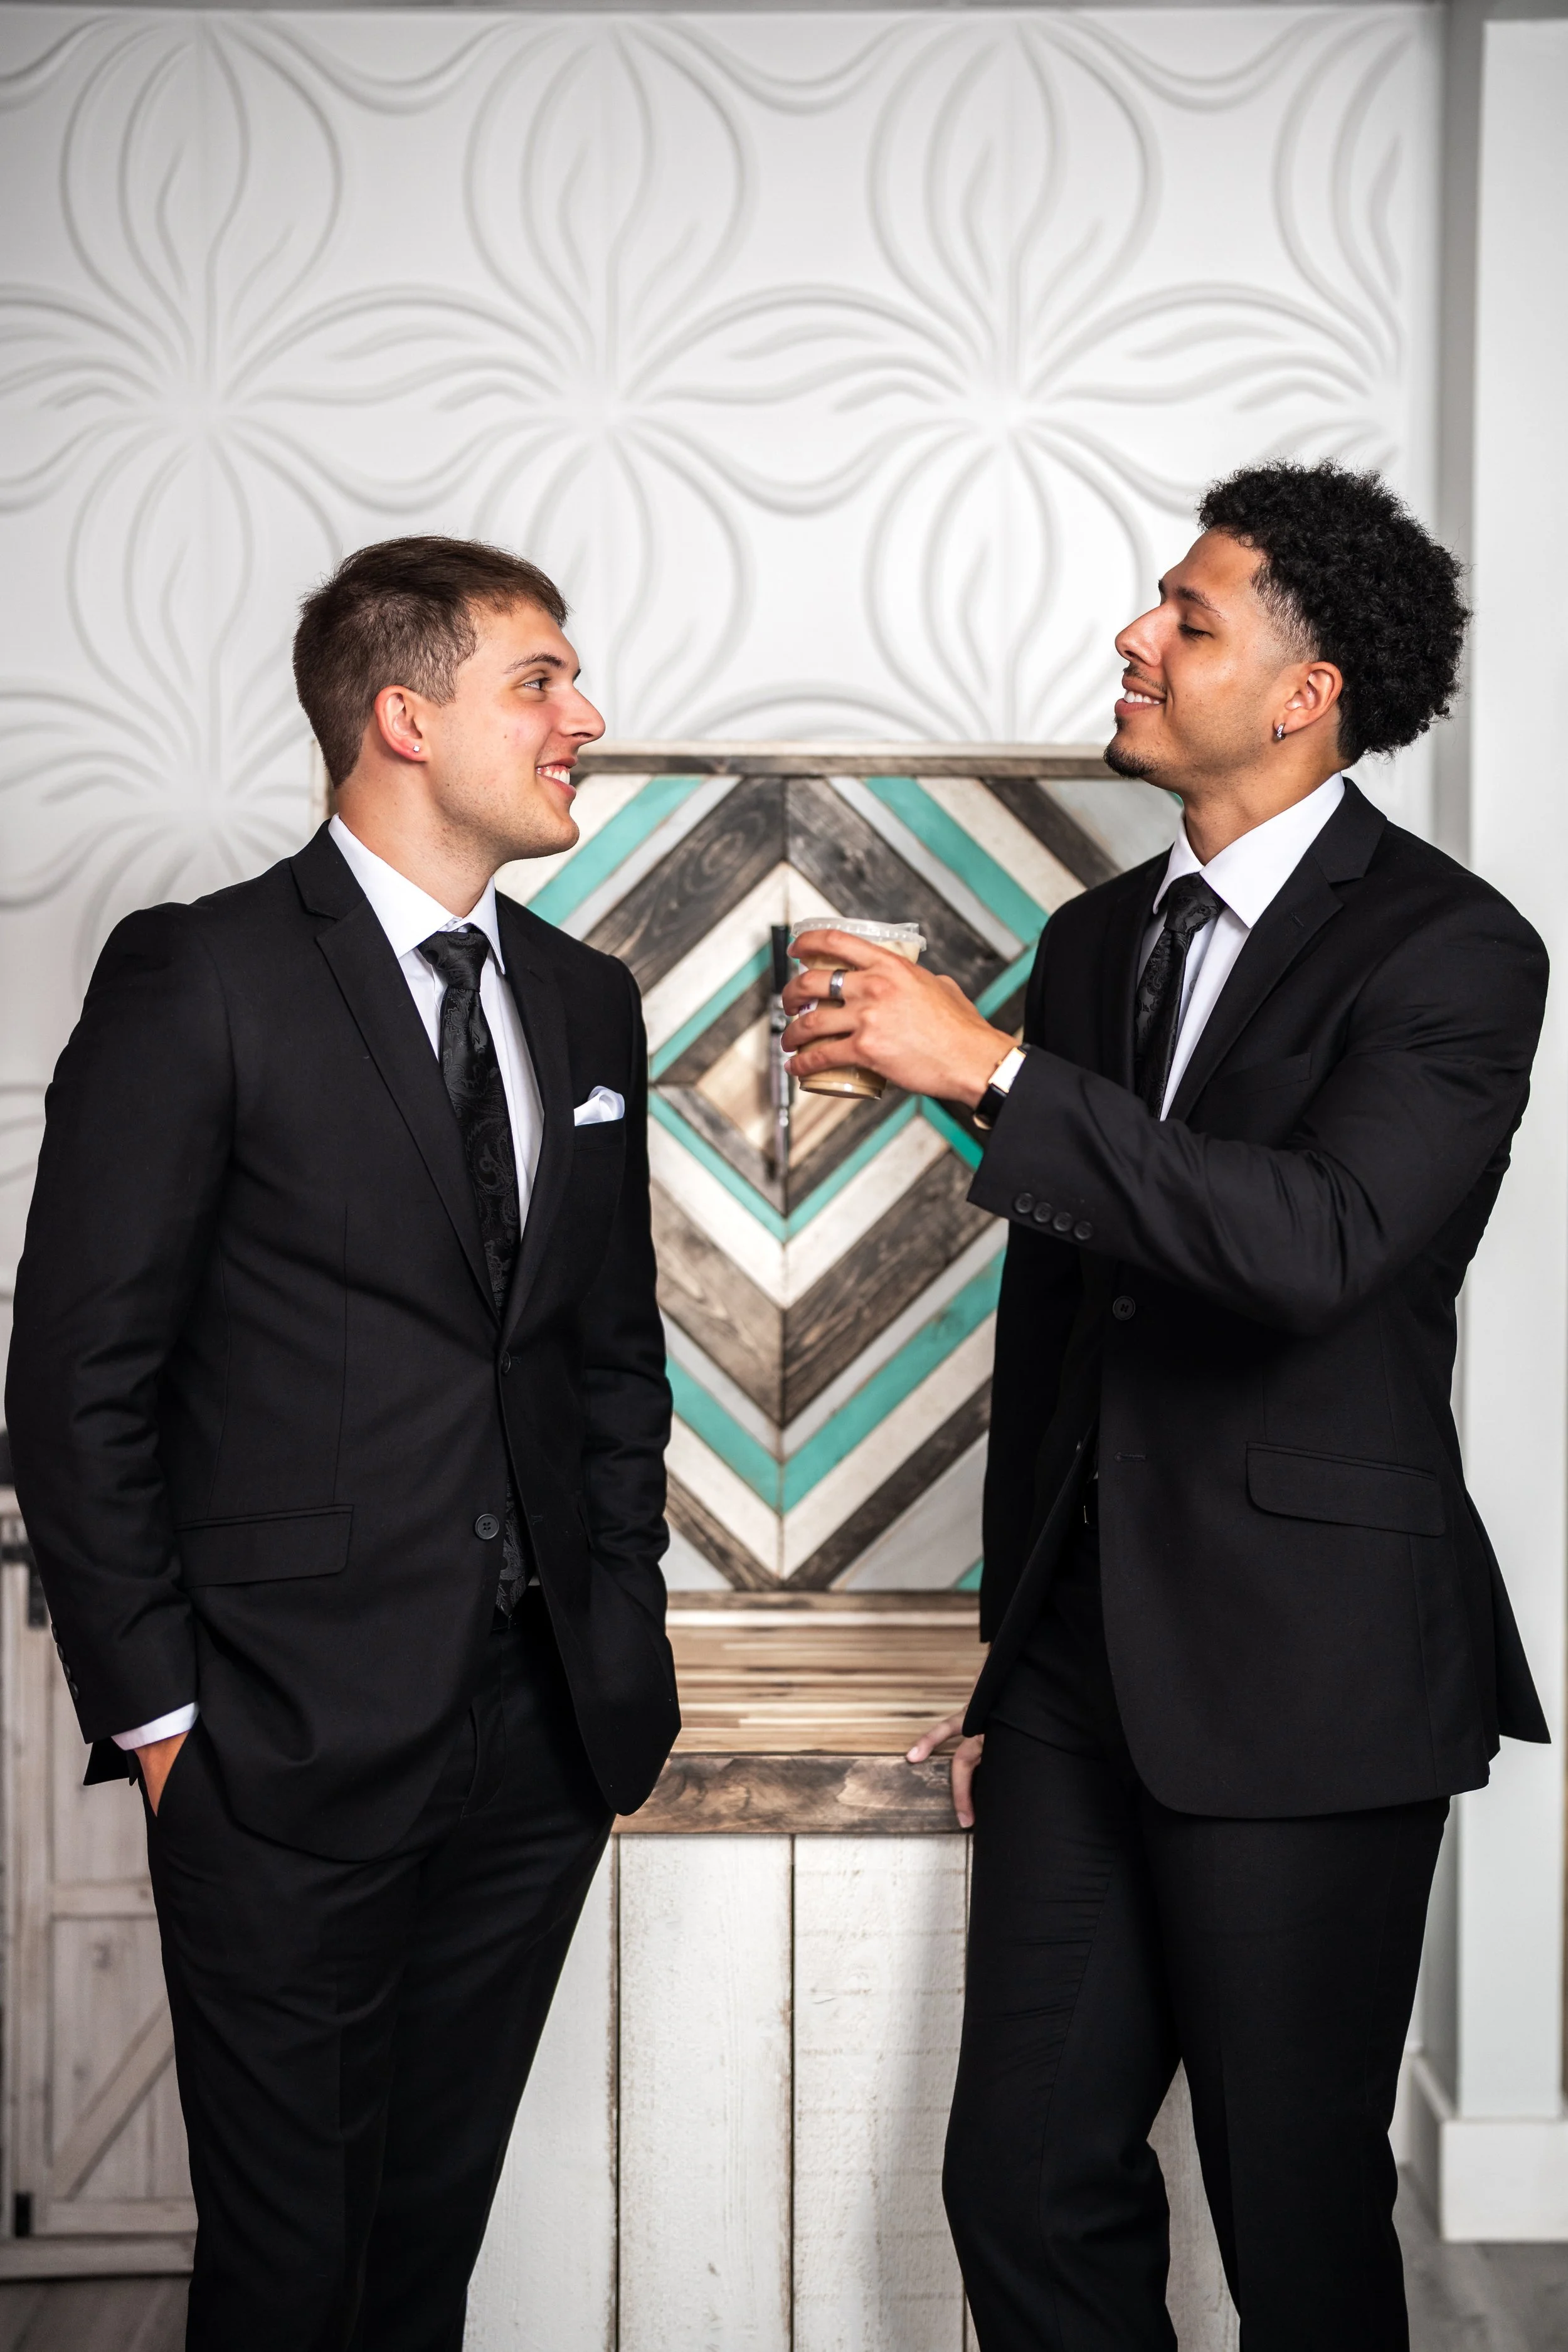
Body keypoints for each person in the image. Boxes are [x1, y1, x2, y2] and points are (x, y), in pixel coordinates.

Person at [783, 463, 1549, 2351]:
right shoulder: (1101, 940)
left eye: (1188, 618)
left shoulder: (1453, 948)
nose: (1135, 635)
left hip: (1314, 1670)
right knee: (1021, 2179)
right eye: (1155, 602)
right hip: (1072, 1681)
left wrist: (992, 1069)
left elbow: (1322, 1243)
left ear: (1304, 693)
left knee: (1290, 2204)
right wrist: (1006, 1653)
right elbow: (1063, 1331)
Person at [6, 538, 678, 2351]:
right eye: (540, 677)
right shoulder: (198, 976)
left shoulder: (583, 1002)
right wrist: (161, 1722)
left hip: (542, 1732)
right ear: (405, 714)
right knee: (290, 2271)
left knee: (419, 2248)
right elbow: (75, 1380)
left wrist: (621, 1623)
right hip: (274, 1739)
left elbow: (609, 1356)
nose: (584, 715)